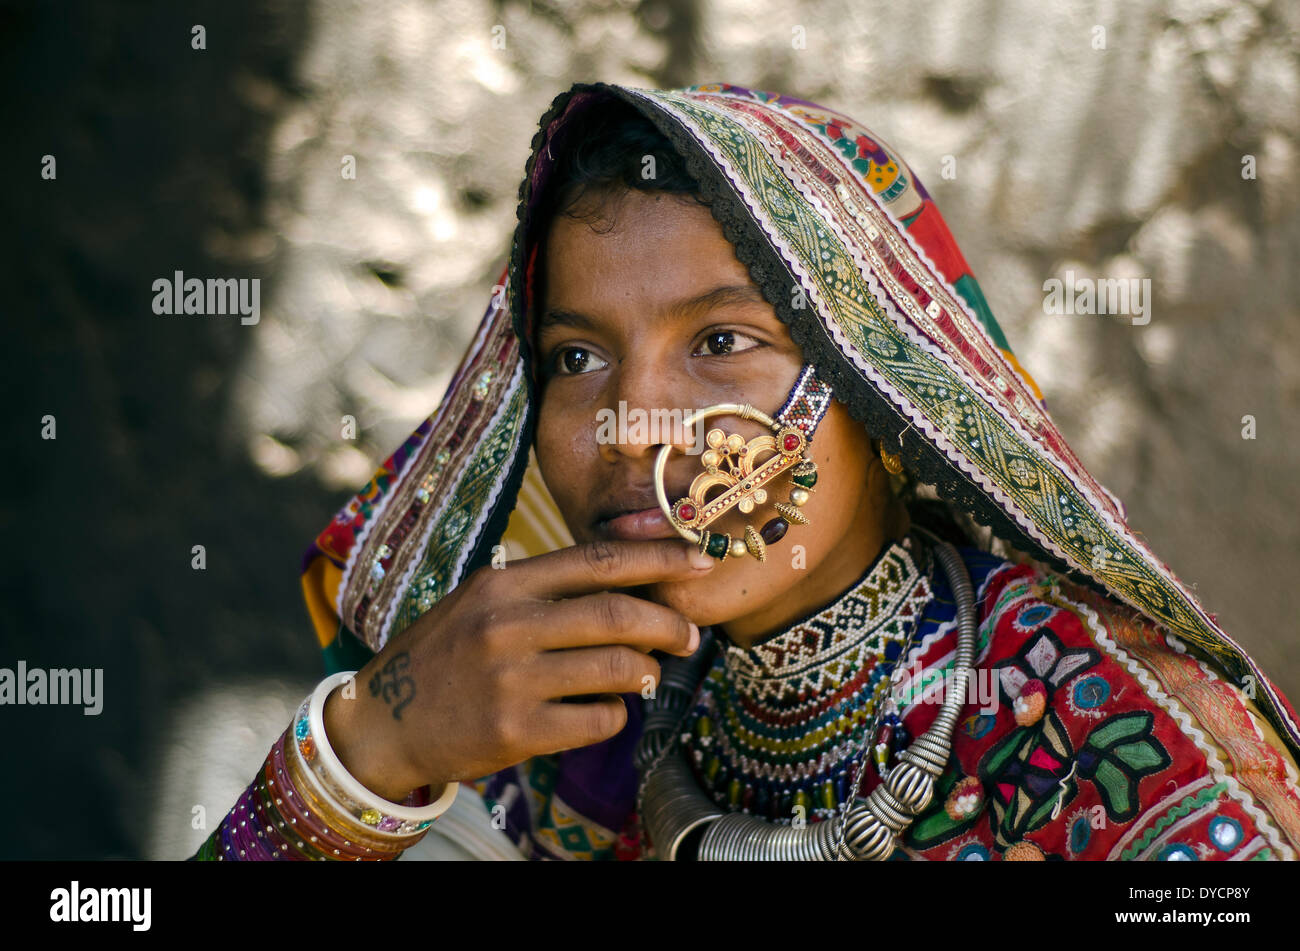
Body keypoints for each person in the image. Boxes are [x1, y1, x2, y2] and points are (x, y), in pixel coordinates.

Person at [191, 81, 1300, 862]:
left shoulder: (1090, 722)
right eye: (576, 359)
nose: (631, 428)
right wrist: (373, 747)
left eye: (721, 343)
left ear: (878, 385)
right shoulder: (553, 726)